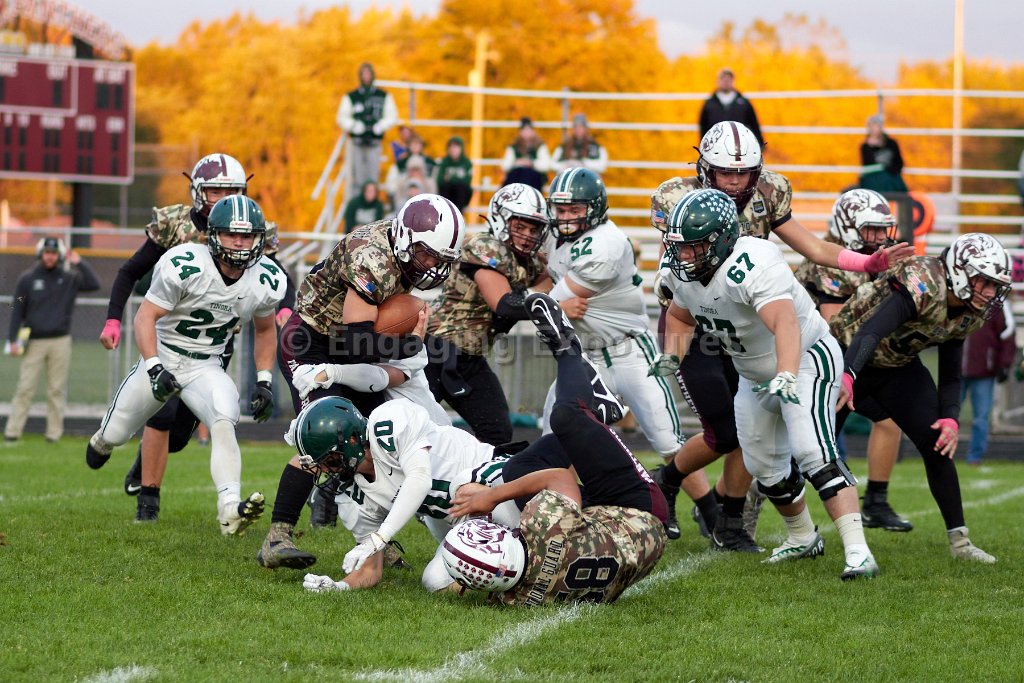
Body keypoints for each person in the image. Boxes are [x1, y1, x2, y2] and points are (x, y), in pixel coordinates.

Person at [648, 121, 912, 548]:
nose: (736, 182)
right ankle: (670, 480)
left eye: (744, 172)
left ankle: (730, 520)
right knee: (724, 432)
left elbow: (814, 247)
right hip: (698, 318)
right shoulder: (677, 197)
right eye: (726, 172)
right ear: (704, 167)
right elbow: (673, 267)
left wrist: (867, 264)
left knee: (748, 422)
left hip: (751, 321)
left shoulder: (768, 191)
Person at [652, 189, 879, 580]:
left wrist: (787, 372)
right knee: (762, 463)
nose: (683, 255)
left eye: (693, 246)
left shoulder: (752, 261)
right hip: (753, 372)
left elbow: (784, 322)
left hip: (805, 357)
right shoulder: (683, 271)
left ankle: (859, 551)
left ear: (720, 240)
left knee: (812, 450)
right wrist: (673, 354)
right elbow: (680, 315)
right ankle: (802, 537)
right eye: (680, 246)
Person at [256, 194, 465, 561]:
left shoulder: (402, 252)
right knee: (326, 432)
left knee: (371, 437)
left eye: (440, 259)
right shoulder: (371, 256)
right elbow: (358, 344)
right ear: (405, 238)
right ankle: (277, 536)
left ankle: (370, 540)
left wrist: (405, 354)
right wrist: (410, 343)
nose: (432, 266)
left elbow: (365, 349)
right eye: (427, 254)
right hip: (311, 342)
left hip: (348, 345)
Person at [435, 293, 668, 605]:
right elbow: (559, 477)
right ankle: (567, 350)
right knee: (564, 417)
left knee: (517, 470)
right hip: (641, 512)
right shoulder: (543, 527)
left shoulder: (518, 597)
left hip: (625, 541)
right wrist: (491, 496)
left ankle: (593, 417)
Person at [101, 153, 294, 523]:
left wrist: (284, 309)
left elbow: (278, 276)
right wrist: (113, 319)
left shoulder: (251, 226)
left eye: (232, 191)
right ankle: (148, 499)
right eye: (215, 191)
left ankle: (142, 463)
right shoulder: (176, 224)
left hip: (215, 344)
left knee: (179, 435)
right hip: (168, 337)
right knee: (160, 414)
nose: (223, 198)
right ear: (197, 191)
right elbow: (130, 271)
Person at [831, 232, 1012, 563]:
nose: (989, 292)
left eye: (994, 284)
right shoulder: (924, 281)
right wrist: (847, 374)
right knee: (813, 449)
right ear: (959, 271)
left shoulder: (970, 311)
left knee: (936, 442)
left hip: (897, 366)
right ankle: (778, 523)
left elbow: (951, 372)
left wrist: (951, 417)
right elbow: (871, 331)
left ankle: (960, 542)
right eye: (984, 281)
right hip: (846, 355)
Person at [282, 395, 522, 591]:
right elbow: (370, 571)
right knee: (435, 581)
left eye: (329, 461)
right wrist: (338, 586)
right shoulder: (352, 497)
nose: (326, 471)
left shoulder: (388, 422)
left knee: (462, 486)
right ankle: (517, 575)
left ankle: (530, 537)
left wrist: (381, 536)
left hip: (494, 481)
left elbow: (419, 479)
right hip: (456, 515)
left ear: (352, 440)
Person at [542, 167, 687, 475]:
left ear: (594, 209)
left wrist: (554, 306)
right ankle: (561, 499)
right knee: (554, 441)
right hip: (585, 357)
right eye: (561, 209)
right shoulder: (553, 238)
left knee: (670, 444)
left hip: (630, 351)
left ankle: (703, 501)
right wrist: (555, 305)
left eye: (574, 209)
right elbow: (545, 286)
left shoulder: (604, 242)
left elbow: (549, 305)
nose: (565, 217)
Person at [795, 189, 912, 531]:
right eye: (871, 229)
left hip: (850, 362)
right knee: (794, 450)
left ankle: (876, 501)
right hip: (815, 361)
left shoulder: (876, 256)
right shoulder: (827, 260)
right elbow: (836, 324)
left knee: (889, 420)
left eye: (882, 229)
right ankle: (739, 504)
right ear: (847, 227)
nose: (879, 237)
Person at [4, 238, 100, 442]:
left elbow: (94, 284)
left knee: (56, 390)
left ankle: (53, 434)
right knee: (25, 387)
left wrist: (80, 262)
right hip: (33, 342)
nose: (50, 256)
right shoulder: (27, 279)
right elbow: (16, 308)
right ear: (40, 254)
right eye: (47, 252)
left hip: (60, 341)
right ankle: (12, 432)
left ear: (60, 255)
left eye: (54, 253)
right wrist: (12, 339)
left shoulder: (68, 278)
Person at [960, 300, 1015, 466]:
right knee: (947, 416)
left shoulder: (998, 304)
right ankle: (939, 456)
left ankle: (974, 458)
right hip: (956, 372)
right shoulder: (959, 297)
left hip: (984, 371)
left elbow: (1008, 333)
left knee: (980, 418)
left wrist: (1004, 364)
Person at [337, 62, 399, 200]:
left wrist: (381, 126)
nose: (366, 76)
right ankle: (358, 203)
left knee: (373, 175)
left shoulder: (383, 96)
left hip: (374, 142)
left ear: (373, 75)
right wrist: (354, 126)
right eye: (363, 74)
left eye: (368, 73)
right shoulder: (351, 96)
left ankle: (373, 204)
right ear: (360, 76)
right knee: (358, 176)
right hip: (357, 142)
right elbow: (341, 117)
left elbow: (392, 116)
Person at [698, 68, 763, 146]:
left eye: (728, 79)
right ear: (718, 81)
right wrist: (703, 144)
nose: (726, 82)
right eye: (723, 79)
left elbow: (753, 123)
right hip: (716, 145)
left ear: (733, 81)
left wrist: (760, 143)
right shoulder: (709, 103)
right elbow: (703, 126)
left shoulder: (744, 102)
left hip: (740, 145)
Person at [859, 115, 907, 193]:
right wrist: (870, 148)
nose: (874, 129)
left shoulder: (891, 143)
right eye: (871, 126)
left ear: (881, 127)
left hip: (891, 176)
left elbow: (899, 163)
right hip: (873, 179)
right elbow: (867, 166)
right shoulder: (865, 146)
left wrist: (887, 170)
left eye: (876, 126)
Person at [500, 117, 550, 191]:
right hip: (516, 177)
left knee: (528, 175)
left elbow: (546, 166)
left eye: (528, 130)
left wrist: (531, 163)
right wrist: (516, 163)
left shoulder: (540, 146)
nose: (526, 133)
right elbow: (505, 166)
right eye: (524, 130)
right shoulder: (514, 146)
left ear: (533, 131)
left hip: (534, 178)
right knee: (518, 175)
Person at [435, 135, 473, 212]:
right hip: (448, 192)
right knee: (445, 187)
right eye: (451, 147)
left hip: (461, 194)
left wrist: (450, 178)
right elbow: (440, 180)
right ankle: (446, 213)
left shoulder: (466, 162)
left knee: (461, 188)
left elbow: (467, 181)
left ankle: (458, 213)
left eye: (456, 147)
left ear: (461, 148)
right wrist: (457, 178)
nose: (453, 149)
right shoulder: (445, 161)